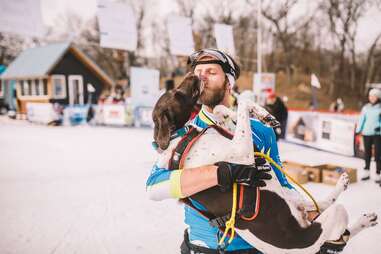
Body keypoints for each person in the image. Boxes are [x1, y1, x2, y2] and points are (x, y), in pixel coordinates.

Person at [146, 49, 294, 254]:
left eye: (211, 72)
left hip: (255, 247)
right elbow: (154, 187)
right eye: (198, 72)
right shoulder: (184, 132)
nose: (202, 77)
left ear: (228, 82)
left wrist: (318, 225)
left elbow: (284, 187)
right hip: (202, 246)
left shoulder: (261, 131)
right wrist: (223, 172)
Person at [356, 88, 381, 185]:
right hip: (366, 133)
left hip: (378, 134)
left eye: (374, 96)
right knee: (367, 153)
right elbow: (362, 119)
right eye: (370, 96)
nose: (371, 98)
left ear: (378, 97)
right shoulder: (366, 107)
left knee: (378, 154)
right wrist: (358, 130)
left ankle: (378, 173)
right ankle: (366, 172)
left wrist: (379, 127)